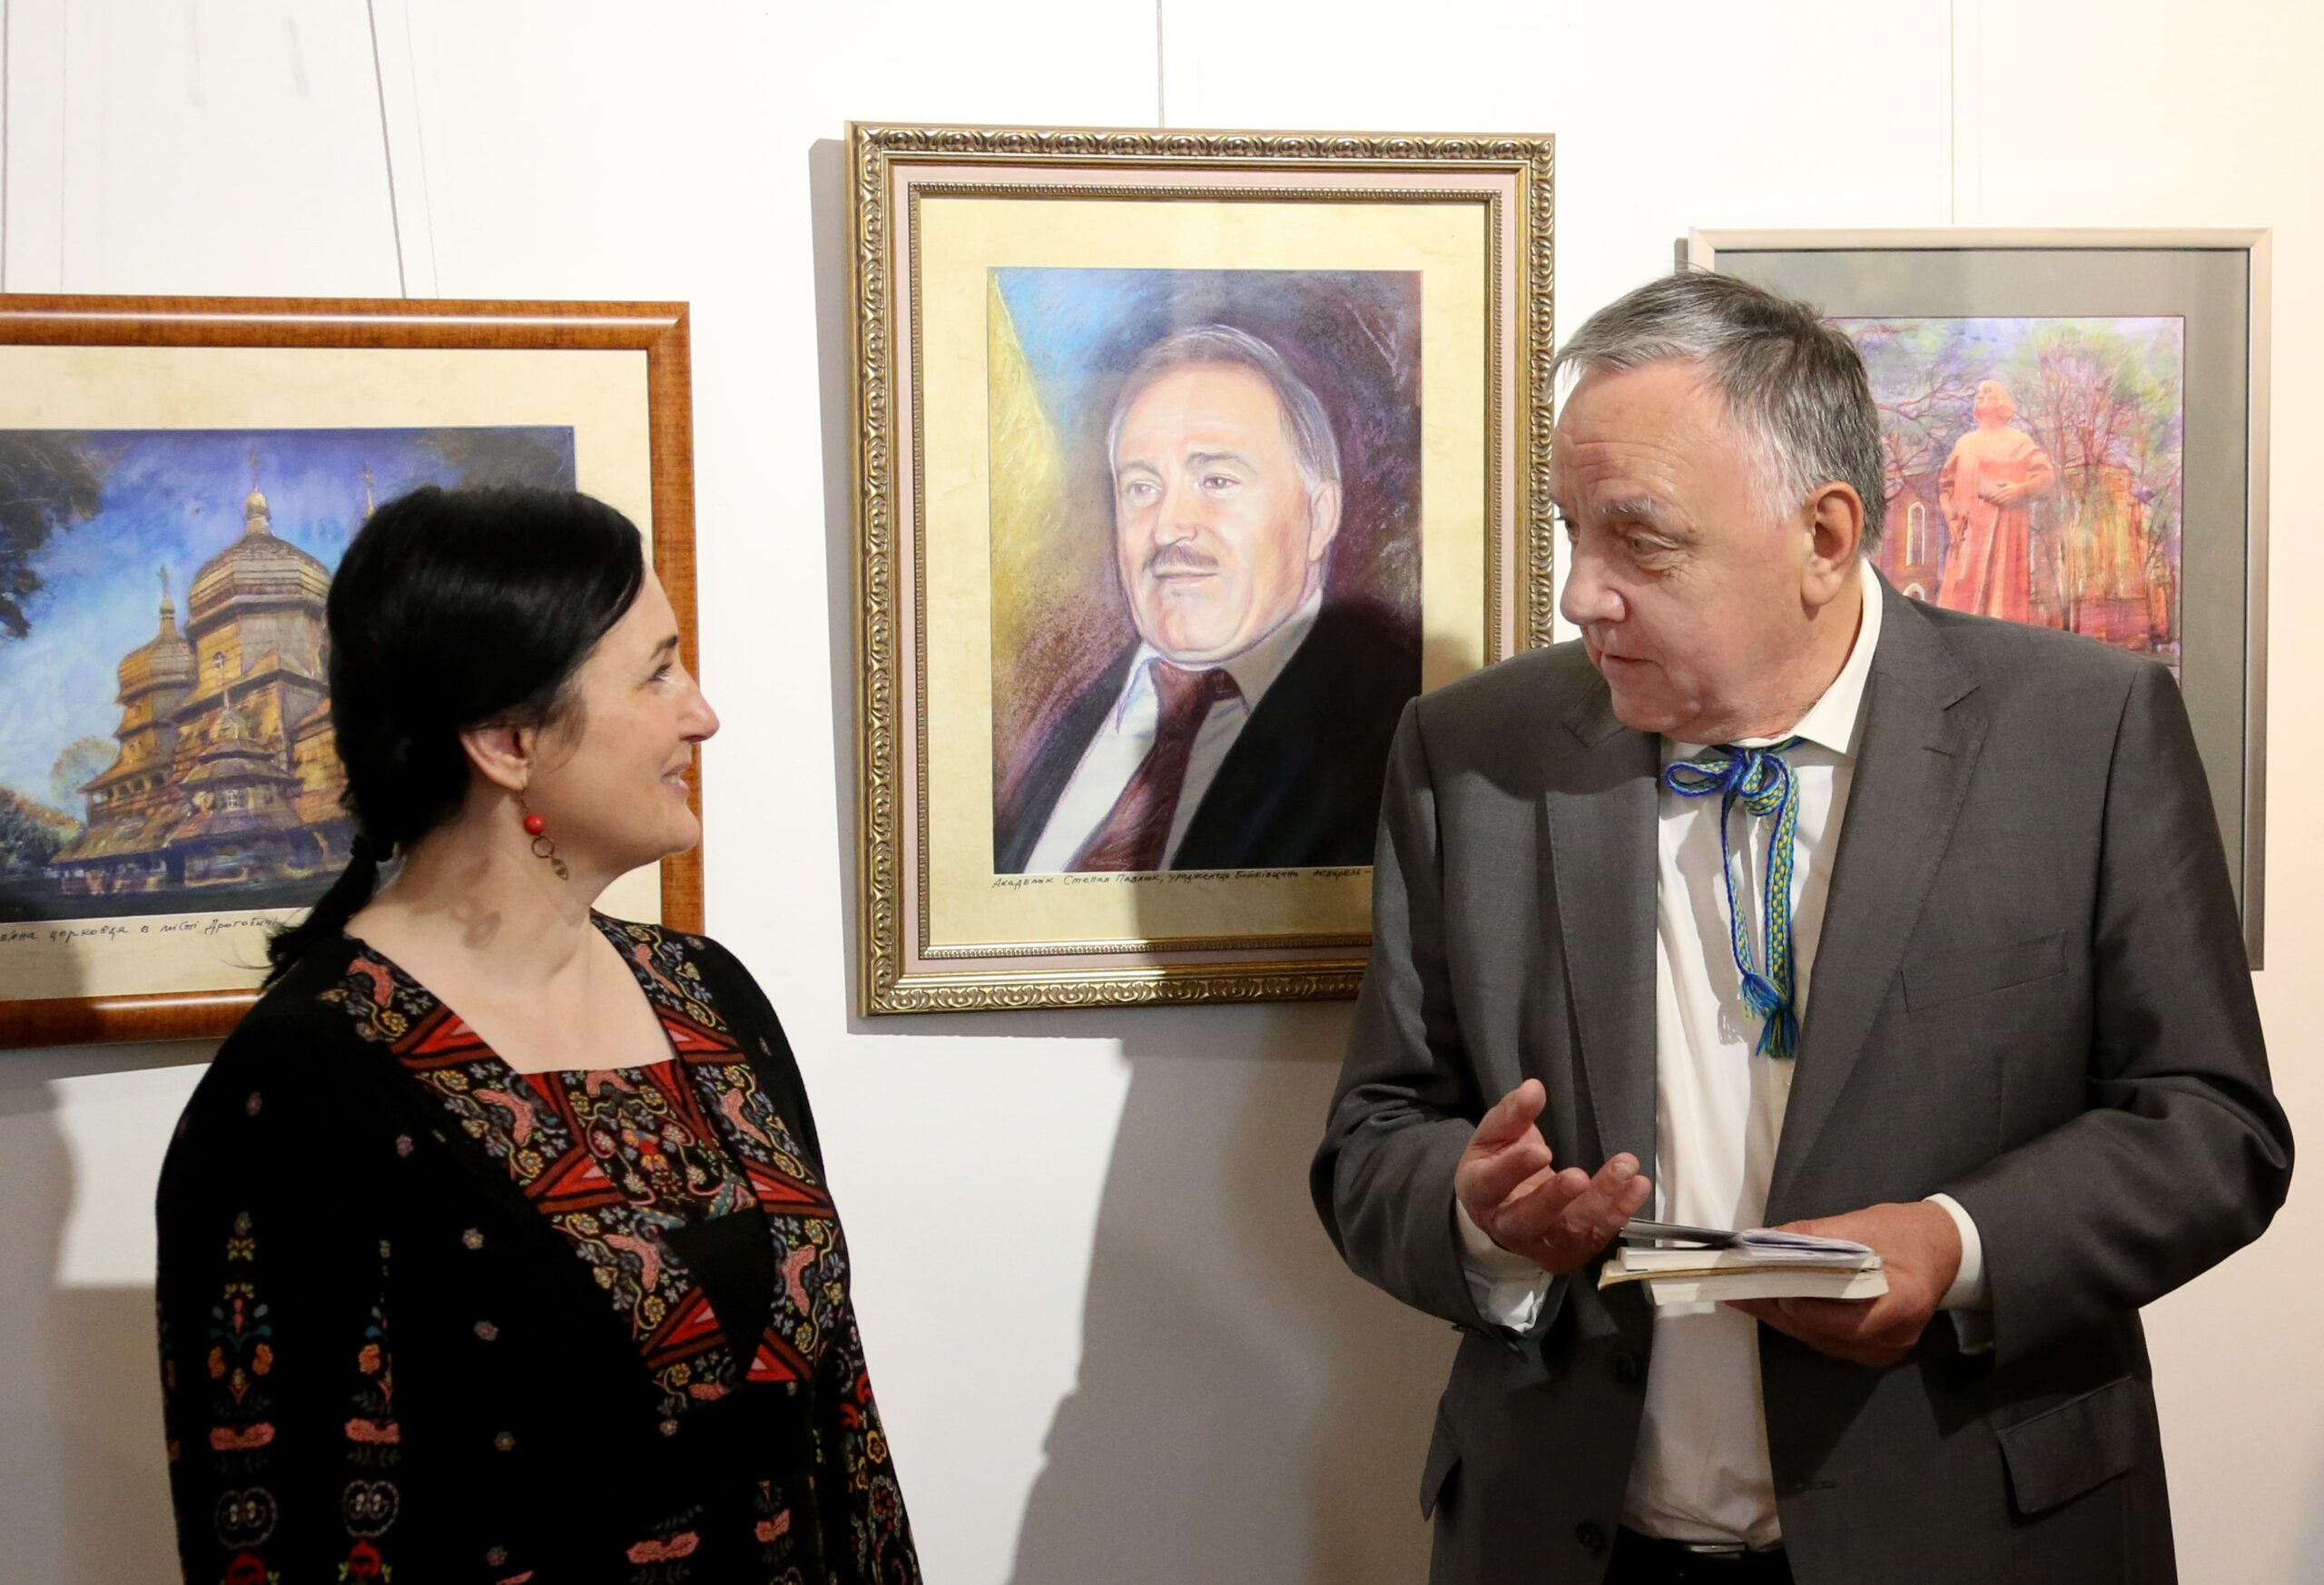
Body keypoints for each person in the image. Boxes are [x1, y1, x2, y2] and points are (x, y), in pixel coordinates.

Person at [1311, 272, 2289, 1585]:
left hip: (1973, 1536)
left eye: (1640, 539)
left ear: (1825, 536)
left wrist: (1953, 1243)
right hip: (1572, 1543)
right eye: (1571, 531)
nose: (1582, 594)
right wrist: (1480, 1216)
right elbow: (1375, 1133)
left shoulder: (2084, 730)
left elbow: (2211, 1127)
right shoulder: (1470, 754)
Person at [154, 487, 920, 1582]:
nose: (701, 715)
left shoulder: (706, 995)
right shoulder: (305, 1083)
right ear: (507, 741)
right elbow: (273, 1531)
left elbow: (840, 1425)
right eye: (656, 674)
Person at [995, 323, 1418, 873]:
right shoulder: (1064, 729)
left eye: (1216, 481)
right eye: (1142, 488)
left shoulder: (1397, 730)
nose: (1168, 526)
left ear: (1319, 516)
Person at [1935, 378, 2055, 622]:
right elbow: (1945, 485)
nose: (1980, 395)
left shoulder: (2019, 441)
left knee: (2001, 594)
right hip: (1968, 530)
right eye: (1978, 392)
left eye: (1987, 392)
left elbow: (2046, 475)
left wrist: (2020, 490)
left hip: (2004, 529)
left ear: (2001, 401)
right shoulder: (1965, 443)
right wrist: (1950, 518)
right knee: (1961, 591)